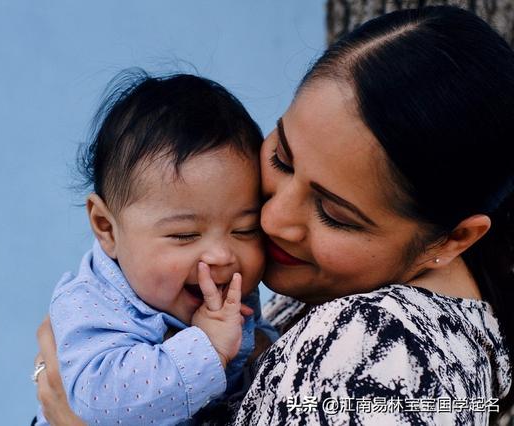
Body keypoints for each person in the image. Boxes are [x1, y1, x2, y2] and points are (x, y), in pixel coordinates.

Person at [34, 6, 514, 425]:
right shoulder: (329, 290)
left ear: (453, 239)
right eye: (282, 157)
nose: (271, 220)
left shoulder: (385, 356)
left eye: (332, 211)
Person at [32, 73, 279, 425]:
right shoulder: (89, 304)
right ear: (106, 228)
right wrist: (206, 347)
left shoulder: (222, 289)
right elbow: (99, 402)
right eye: (184, 235)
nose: (223, 255)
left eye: (245, 229)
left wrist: (259, 351)